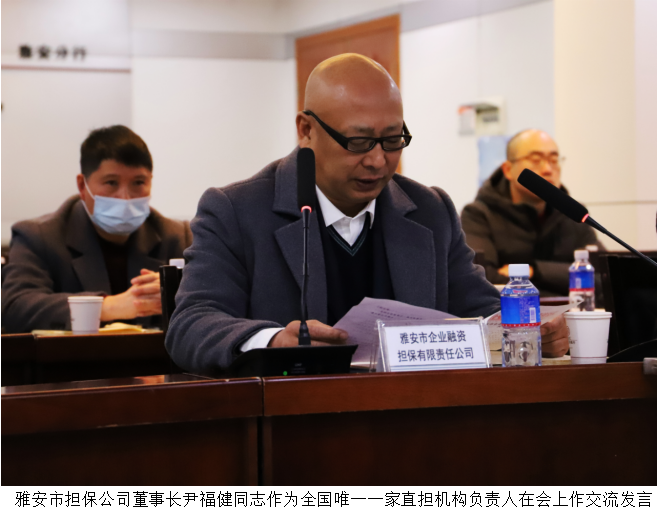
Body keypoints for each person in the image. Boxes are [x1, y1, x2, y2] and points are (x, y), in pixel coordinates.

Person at [166, 54, 569, 375]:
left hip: (414, 419)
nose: (378, 160)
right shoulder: (236, 210)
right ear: (306, 130)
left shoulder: (430, 211)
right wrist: (271, 342)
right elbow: (191, 325)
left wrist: (532, 331)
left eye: (393, 140)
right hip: (293, 426)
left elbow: (479, 309)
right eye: (358, 142)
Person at [1, 125, 192, 333]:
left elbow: (212, 302)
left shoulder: (179, 237)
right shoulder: (38, 236)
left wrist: (178, 292)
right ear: (82, 186)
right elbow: (15, 307)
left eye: (138, 182)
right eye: (111, 182)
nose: (125, 197)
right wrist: (108, 306)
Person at [461, 129, 603, 296]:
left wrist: (535, 271)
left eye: (554, 160)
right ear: (508, 170)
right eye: (536, 160)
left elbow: (602, 276)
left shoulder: (573, 214)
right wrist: (565, 282)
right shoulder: (478, 215)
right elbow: (485, 282)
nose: (548, 169)